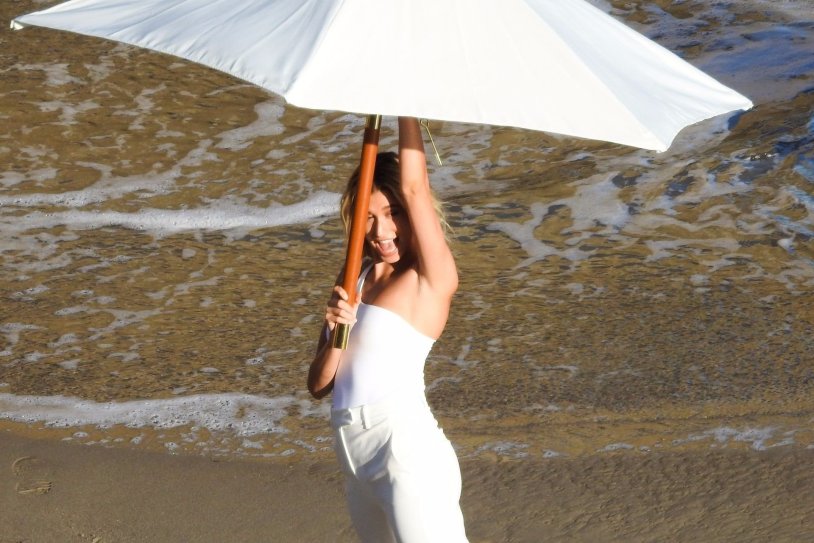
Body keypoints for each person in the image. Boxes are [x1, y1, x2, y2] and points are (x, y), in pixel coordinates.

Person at [307, 117, 468, 542]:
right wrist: (335, 331)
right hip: (353, 460)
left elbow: (416, 187)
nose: (381, 231)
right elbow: (319, 385)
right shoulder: (353, 276)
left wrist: (404, 105)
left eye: (393, 212)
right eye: (371, 215)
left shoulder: (429, 279)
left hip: (404, 452)